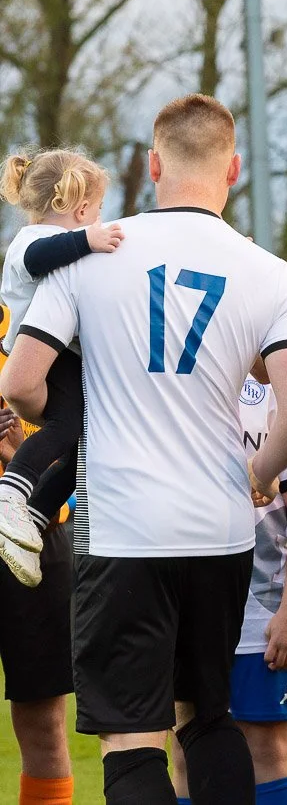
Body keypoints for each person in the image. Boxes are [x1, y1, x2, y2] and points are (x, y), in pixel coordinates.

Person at [0, 93, 287, 805]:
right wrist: (260, 476)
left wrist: (74, 418)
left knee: (133, 736)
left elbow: (20, 385)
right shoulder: (273, 275)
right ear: (232, 169)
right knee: (209, 719)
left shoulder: (89, 255)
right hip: (222, 532)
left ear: (152, 166)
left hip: (122, 532)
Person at [167, 376, 287, 805]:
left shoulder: (276, 383)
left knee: (268, 748)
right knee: (185, 748)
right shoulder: (172, 379)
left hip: (262, 610)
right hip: (181, 600)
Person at [0, 147, 123, 585]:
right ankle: (12, 495)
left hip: (60, 354)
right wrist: (88, 241)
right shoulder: (29, 241)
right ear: (82, 207)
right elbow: (38, 260)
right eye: (98, 211)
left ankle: (33, 516)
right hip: (38, 354)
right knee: (65, 428)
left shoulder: (60, 246)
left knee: (84, 447)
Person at [0, 303, 73, 805]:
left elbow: (76, 442)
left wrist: (13, 457)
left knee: (43, 719)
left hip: (35, 535)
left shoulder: (34, 318)